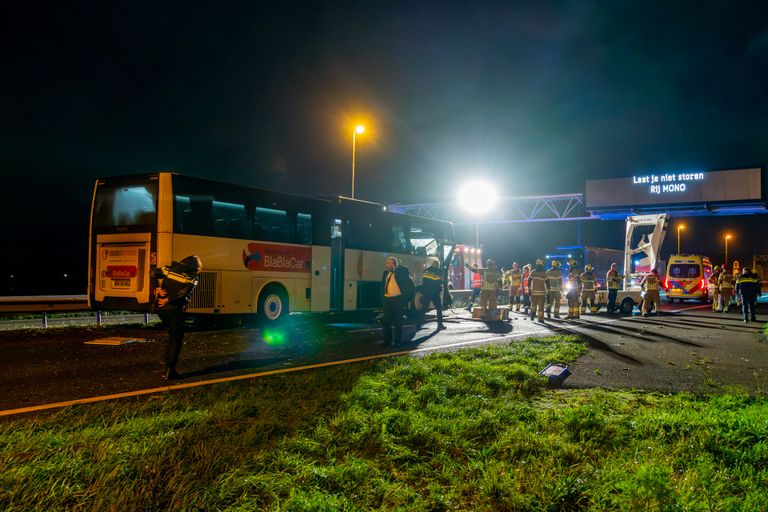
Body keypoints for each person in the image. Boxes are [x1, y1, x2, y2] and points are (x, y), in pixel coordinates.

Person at [152, 255, 203, 380]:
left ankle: (167, 360)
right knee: (177, 337)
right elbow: (184, 293)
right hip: (173, 309)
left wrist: (157, 288)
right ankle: (170, 369)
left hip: (161, 309)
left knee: (171, 334)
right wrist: (170, 300)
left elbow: (152, 273)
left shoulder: (169, 269)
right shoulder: (193, 277)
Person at [381, 256, 413, 347]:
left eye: (388, 263)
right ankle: (387, 341)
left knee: (397, 322)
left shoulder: (400, 273)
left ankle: (397, 342)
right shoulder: (385, 273)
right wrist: (383, 299)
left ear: (394, 264)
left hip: (397, 300)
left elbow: (409, 287)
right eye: (386, 263)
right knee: (386, 321)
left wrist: (403, 300)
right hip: (387, 299)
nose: (386, 265)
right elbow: (382, 287)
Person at [420, 260, 446, 331]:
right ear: (437, 265)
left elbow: (423, 282)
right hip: (434, 293)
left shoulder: (426, 271)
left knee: (424, 308)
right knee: (439, 308)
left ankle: (418, 324)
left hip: (426, 293)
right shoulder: (438, 271)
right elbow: (439, 282)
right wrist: (439, 290)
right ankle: (440, 325)